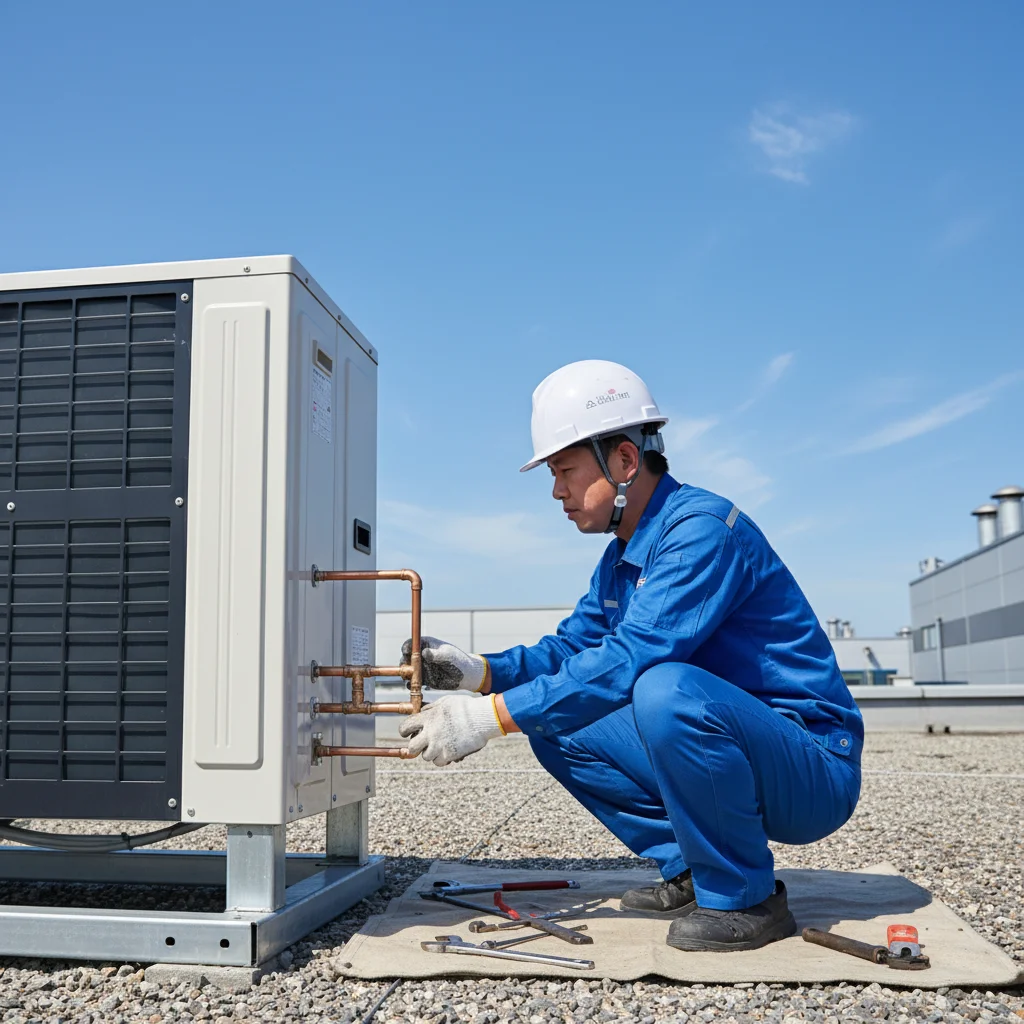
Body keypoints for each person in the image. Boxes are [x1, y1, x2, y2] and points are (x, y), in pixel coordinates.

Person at [399, 360, 862, 952]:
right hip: (748, 748)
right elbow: (572, 651)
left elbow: (632, 656)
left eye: (565, 470)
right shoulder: (623, 556)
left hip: (812, 767)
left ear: (623, 460)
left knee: (663, 687)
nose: (556, 491)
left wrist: (485, 719)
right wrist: (480, 673)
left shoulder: (701, 530)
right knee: (559, 725)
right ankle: (693, 866)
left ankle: (746, 895)